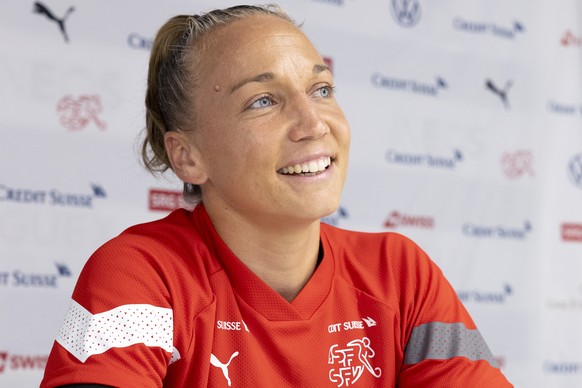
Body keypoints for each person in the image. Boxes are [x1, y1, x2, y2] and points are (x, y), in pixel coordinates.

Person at [41, 4, 513, 387]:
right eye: (262, 101)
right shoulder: (140, 273)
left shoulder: (400, 275)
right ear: (186, 156)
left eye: (321, 88)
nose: (313, 124)